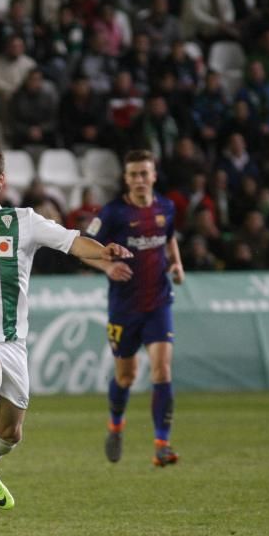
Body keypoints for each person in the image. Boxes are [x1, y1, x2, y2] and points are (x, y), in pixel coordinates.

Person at [0, 143, 133, 506]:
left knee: (11, 433)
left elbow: (71, 242)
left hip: (12, 342)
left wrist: (103, 251)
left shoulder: (24, 221)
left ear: (0, 180)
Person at [81, 150, 185, 467]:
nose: (140, 180)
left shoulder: (166, 207)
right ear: (126, 180)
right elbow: (83, 248)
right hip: (124, 308)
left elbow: (168, 239)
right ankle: (116, 425)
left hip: (158, 303)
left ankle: (162, 445)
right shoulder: (113, 214)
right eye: (134, 175)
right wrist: (107, 268)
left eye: (145, 173)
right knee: (126, 376)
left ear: (154, 176)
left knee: (162, 370)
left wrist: (177, 264)